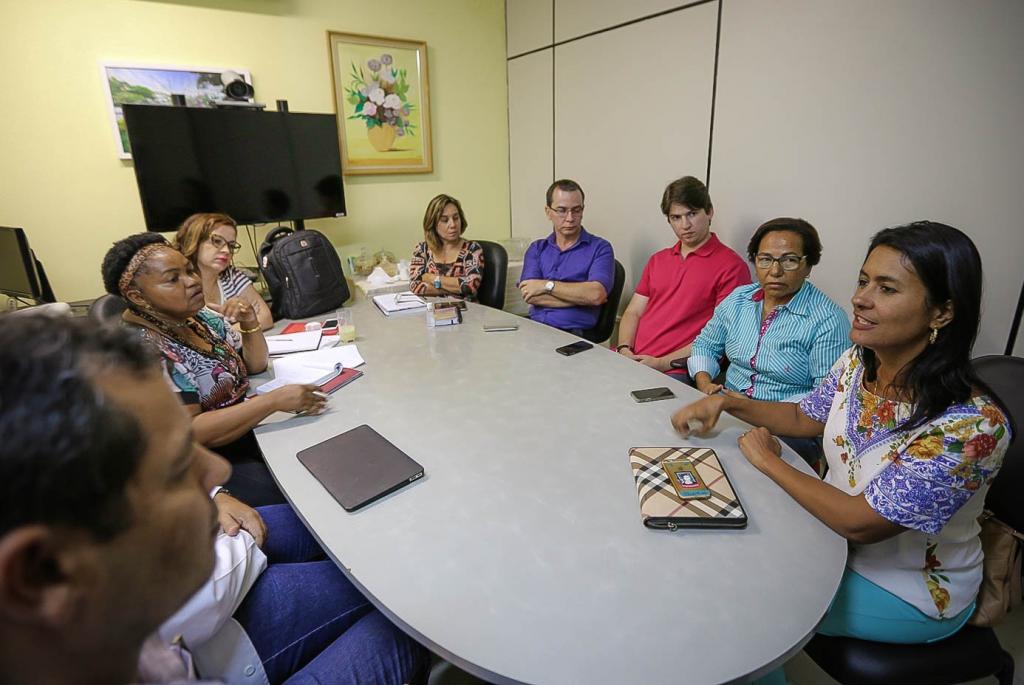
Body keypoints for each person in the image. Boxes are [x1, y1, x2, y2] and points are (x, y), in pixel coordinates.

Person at [0, 315, 426, 684]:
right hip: (225, 642)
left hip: (215, 641)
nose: (219, 472)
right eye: (176, 468)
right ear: (44, 573)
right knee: (404, 617)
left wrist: (215, 496)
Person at [672, 221, 1010, 650]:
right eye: (863, 281)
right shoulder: (858, 361)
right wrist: (727, 403)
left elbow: (859, 523)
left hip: (905, 589)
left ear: (942, 312)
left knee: (740, 602)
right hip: (826, 538)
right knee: (719, 556)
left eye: (887, 289)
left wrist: (768, 461)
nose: (860, 299)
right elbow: (803, 416)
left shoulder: (971, 425)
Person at [101, 232, 326, 506]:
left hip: (245, 430)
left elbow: (254, 365)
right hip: (203, 463)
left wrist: (249, 321)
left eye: (189, 270)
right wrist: (272, 401)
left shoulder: (197, 316)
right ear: (137, 296)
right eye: (173, 279)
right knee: (307, 492)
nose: (192, 281)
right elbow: (191, 431)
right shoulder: (142, 350)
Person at [686, 217, 850, 463]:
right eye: (765, 259)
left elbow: (823, 401)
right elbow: (706, 344)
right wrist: (705, 383)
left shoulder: (828, 319)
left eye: (789, 260)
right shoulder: (738, 299)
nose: (775, 271)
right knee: (688, 447)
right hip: (728, 408)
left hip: (790, 427)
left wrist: (746, 407)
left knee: (740, 467)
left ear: (808, 266)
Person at [615, 176, 749, 379]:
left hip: (676, 368)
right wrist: (624, 349)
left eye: (692, 214)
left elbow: (719, 337)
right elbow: (633, 312)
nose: (685, 225)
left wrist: (661, 363)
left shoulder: (732, 267)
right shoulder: (658, 260)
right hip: (634, 359)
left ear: (709, 212)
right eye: (676, 217)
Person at [519, 179, 614, 333]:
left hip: (574, 333)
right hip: (535, 329)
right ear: (548, 212)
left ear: (583, 210)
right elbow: (530, 295)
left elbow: (596, 295)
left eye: (576, 210)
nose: (570, 218)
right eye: (562, 210)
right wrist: (580, 298)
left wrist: (546, 286)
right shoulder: (536, 248)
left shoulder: (600, 248)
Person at [174, 212, 274, 330]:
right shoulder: (179, 284)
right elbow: (189, 334)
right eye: (217, 241)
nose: (226, 250)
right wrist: (236, 331)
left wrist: (227, 333)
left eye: (231, 246)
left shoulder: (232, 276)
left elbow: (266, 318)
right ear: (194, 242)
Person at [409, 194, 485, 300]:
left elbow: (469, 287)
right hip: (430, 308)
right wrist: (456, 289)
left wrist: (431, 278)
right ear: (433, 223)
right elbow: (415, 287)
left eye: (456, 218)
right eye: (444, 220)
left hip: (465, 309)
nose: (453, 225)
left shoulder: (472, 249)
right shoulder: (422, 249)